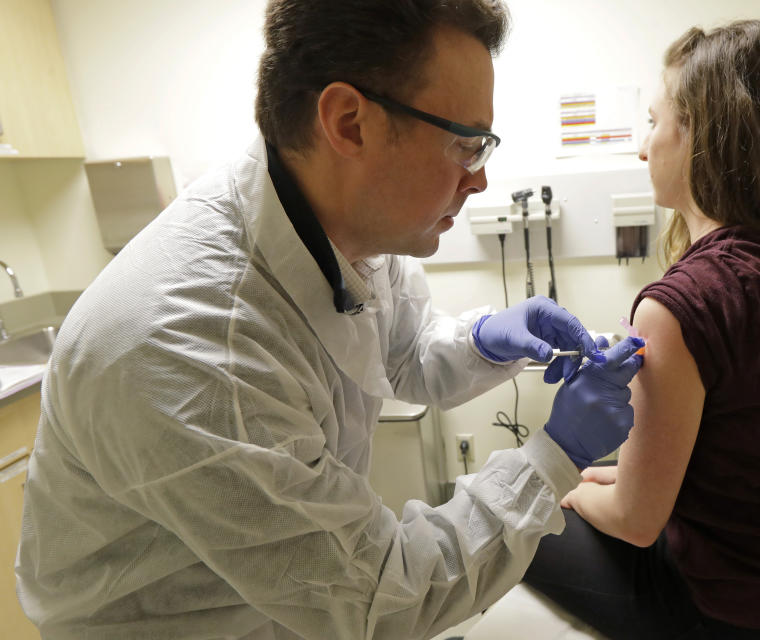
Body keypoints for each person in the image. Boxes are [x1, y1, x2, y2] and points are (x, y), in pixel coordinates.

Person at [14, 2, 646, 639]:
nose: (480, 179)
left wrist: (485, 340)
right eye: (465, 143)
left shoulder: (346, 225)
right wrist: (553, 455)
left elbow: (396, 352)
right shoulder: (194, 344)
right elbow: (381, 599)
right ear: (349, 122)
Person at [523, 19, 760, 640]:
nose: (643, 147)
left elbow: (636, 522)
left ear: (704, 136)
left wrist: (563, 490)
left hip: (717, 616)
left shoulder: (679, 307)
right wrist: (614, 476)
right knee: (595, 478)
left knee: (508, 512)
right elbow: (742, 449)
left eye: (653, 120)